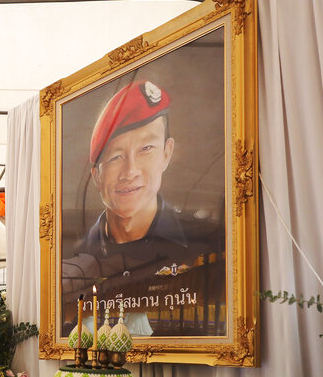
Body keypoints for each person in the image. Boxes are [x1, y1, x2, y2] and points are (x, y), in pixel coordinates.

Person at [63, 79, 224, 335]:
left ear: (166, 153)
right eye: (116, 156)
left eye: (146, 148)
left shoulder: (204, 244)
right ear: (96, 176)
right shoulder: (75, 259)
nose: (131, 172)